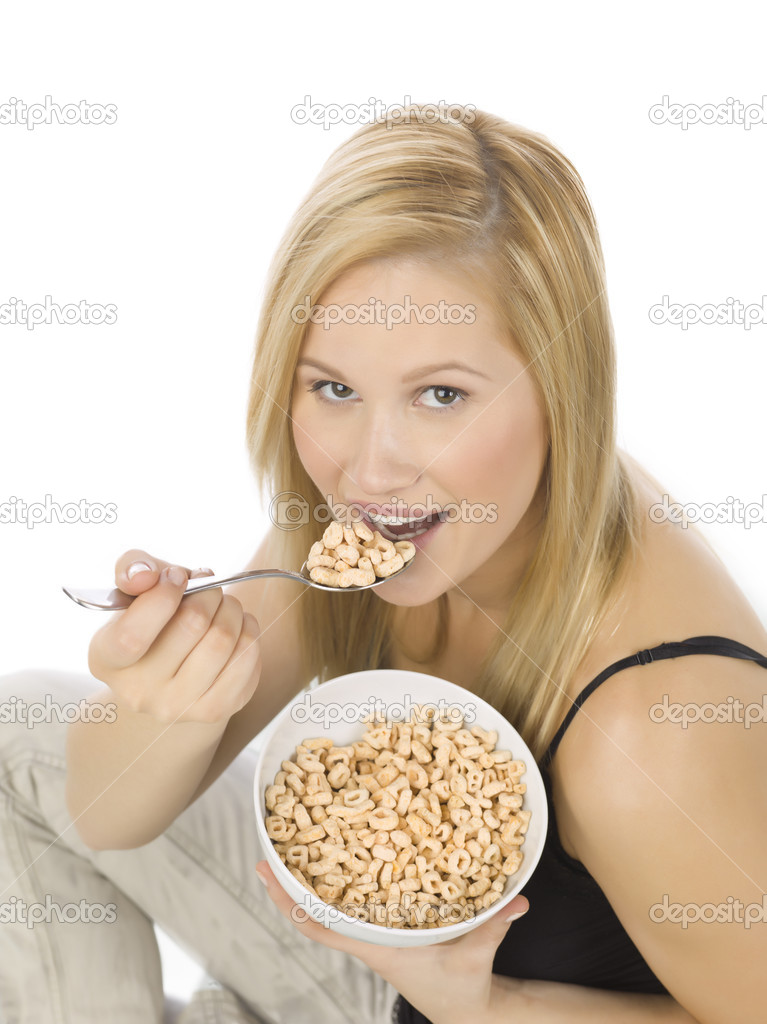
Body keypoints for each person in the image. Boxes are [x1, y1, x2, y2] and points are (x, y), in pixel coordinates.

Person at [1, 106, 764, 1024]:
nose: (368, 469)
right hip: (376, 969)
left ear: (565, 394)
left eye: (442, 395)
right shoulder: (373, 518)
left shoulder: (651, 729)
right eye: (334, 387)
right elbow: (105, 817)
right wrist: (163, 707)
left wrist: (486, 1005)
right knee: (20, 741)